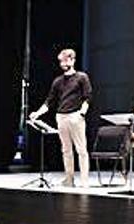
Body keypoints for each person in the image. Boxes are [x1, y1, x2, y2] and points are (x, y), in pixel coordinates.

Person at [29, 48, 93, 188]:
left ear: (72, 60)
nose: (63, 63)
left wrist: (82, 113)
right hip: (61, 117)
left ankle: (84, 180)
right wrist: (37, 113)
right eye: (61, 61)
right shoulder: (58, 81)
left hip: (76, 116)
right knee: (66, 150)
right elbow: (49, 101)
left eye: (65, 60)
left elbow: (88, 97)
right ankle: (69, 179)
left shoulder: (82, 77)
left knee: (81, 150)